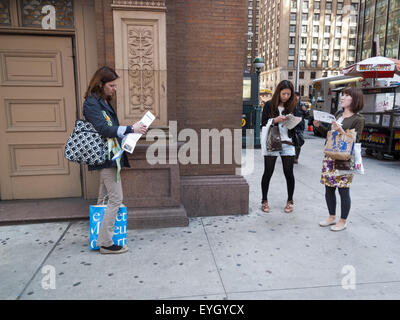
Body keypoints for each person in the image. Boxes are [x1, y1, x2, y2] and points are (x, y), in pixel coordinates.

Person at [83, 66, 147, 254]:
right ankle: (105, 242)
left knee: (103, 198)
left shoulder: (102, 101)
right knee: (116, 199)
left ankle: (98, 236)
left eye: (115, 85)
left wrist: (130, 135)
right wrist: (130, 129)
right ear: (100, 84)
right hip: (105, 157)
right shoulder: (91, 103)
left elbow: (112, 129)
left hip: (112, 156)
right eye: (111, 85)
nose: (114, 89)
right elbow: (103, 129)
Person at [313, 87, 365, 231]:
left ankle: (343, 220)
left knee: (343, 190)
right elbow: (329, 136)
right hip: (330, 156)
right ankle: (331, 216)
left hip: (345, 158)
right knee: (328, 188)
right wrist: (318, 126)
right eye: (342, 95)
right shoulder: (338, 114)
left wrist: (341, 131)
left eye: (346, 95)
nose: (342, 98)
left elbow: (357, 140)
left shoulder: (358, 119)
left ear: (355, 99)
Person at [260, 80, 303, 214]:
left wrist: (293, 122)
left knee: (289, 173)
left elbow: (301, 125)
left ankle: (290, 201)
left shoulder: (294, 106)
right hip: (272, 141)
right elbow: (262, 124)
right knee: (268, 172)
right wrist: (275, 120)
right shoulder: (269, 105)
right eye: (283, 93)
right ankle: (264, 200)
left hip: (288, 142)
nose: (286, 96)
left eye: (288, 94)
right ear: (278, 92)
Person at [293, 92, 309, 163]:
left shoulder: (302, 105)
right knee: (292, 142)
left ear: (299, 97)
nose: (296, 97)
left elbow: (307, 116)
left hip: (300, 126)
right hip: (292, 126)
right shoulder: (290, 105)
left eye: (297, 96)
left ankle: (295, 157)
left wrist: (305, 110)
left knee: (300, 141)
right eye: (294, 96)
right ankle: (294, 157)